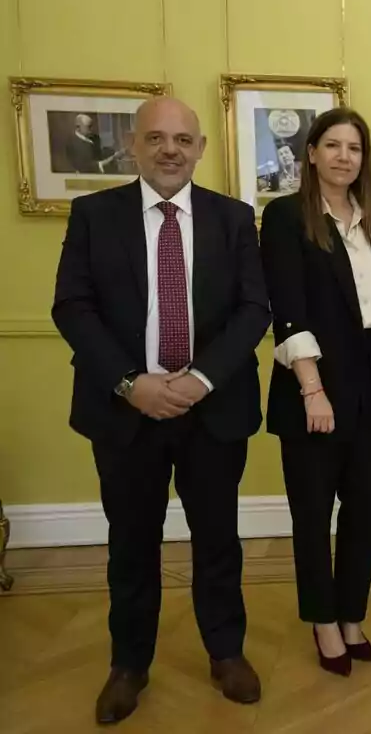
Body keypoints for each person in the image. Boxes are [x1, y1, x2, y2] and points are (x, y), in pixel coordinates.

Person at [51, 98, 270, 724]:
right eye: (156, 138)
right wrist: (129, 383)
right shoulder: (95, 215)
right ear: (135, 147)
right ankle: (128, 665)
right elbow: (72, 306)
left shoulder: (233, 219)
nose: (169, 149)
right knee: (131, 544)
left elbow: (254, 309)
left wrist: (200, 379)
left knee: (218, 540)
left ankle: (226, 652)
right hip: (124, 413)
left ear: (201, 148)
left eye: (182, 139)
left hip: (213, 411)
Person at [260, 108, 371, 677]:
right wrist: (312, 390)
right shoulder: (284, 218)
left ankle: (352, 614)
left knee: (364, 512)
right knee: (312, 514)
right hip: (315, 388)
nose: (344, 156)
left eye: (354, 147)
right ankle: (323, 621)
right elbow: (288, 309)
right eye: (332, 145)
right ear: (311, 153)